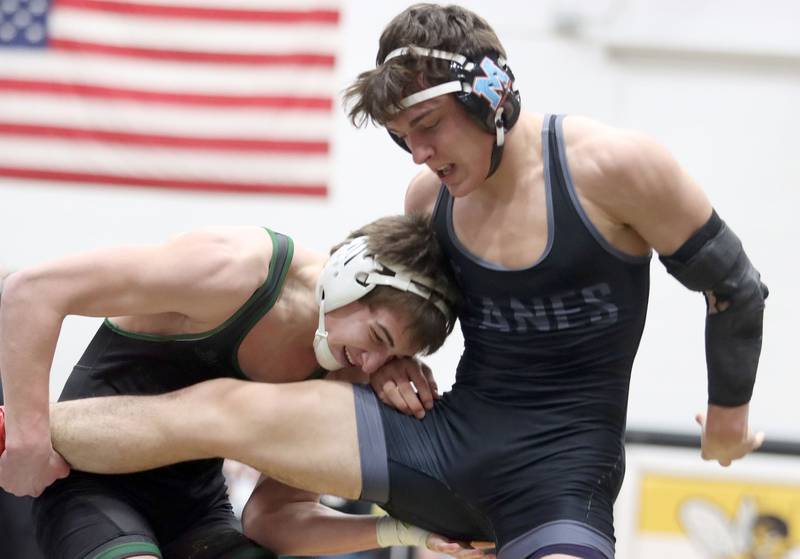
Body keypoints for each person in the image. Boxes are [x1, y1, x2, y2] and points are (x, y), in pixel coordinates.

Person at [1, 4, 769, 559]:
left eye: (427, 129)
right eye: (403, 139)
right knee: (220, 408)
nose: (419, 155)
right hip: (448, 441)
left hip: (561, 473)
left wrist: (730, 412)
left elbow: (734, 285)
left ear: (490, 95)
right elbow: (409, 304)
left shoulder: (616, 168)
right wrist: (395, 361)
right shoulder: (425, 202)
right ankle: (9, 429)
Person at [0, 214, 484, 559]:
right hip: (88, 486)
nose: (372, 362)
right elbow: (31, 290)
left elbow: (273, 521)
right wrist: (25, 438)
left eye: (393, 356)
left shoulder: (347, 367)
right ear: (347, 278)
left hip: (197, 510)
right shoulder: (234, 269)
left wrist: (398, 529)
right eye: (376, 339)